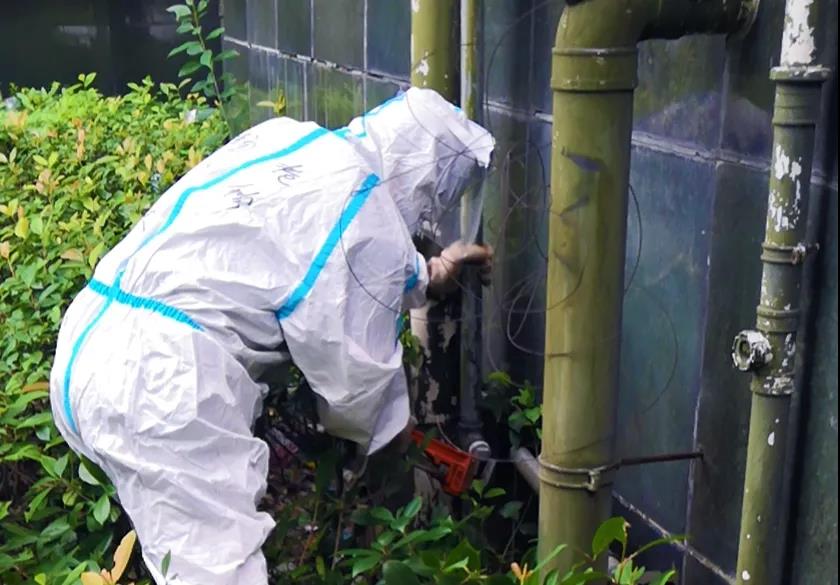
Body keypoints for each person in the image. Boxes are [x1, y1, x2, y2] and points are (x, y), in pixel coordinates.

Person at [49, 87, 495, 585]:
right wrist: (392, 470)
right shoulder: (363, 205)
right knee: (222, 574)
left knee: (175, 554)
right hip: (165, 384)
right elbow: (358, 392)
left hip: (88, 344)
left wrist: (430, 274)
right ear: (427, 184)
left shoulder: (289, 140)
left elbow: (314, 254)